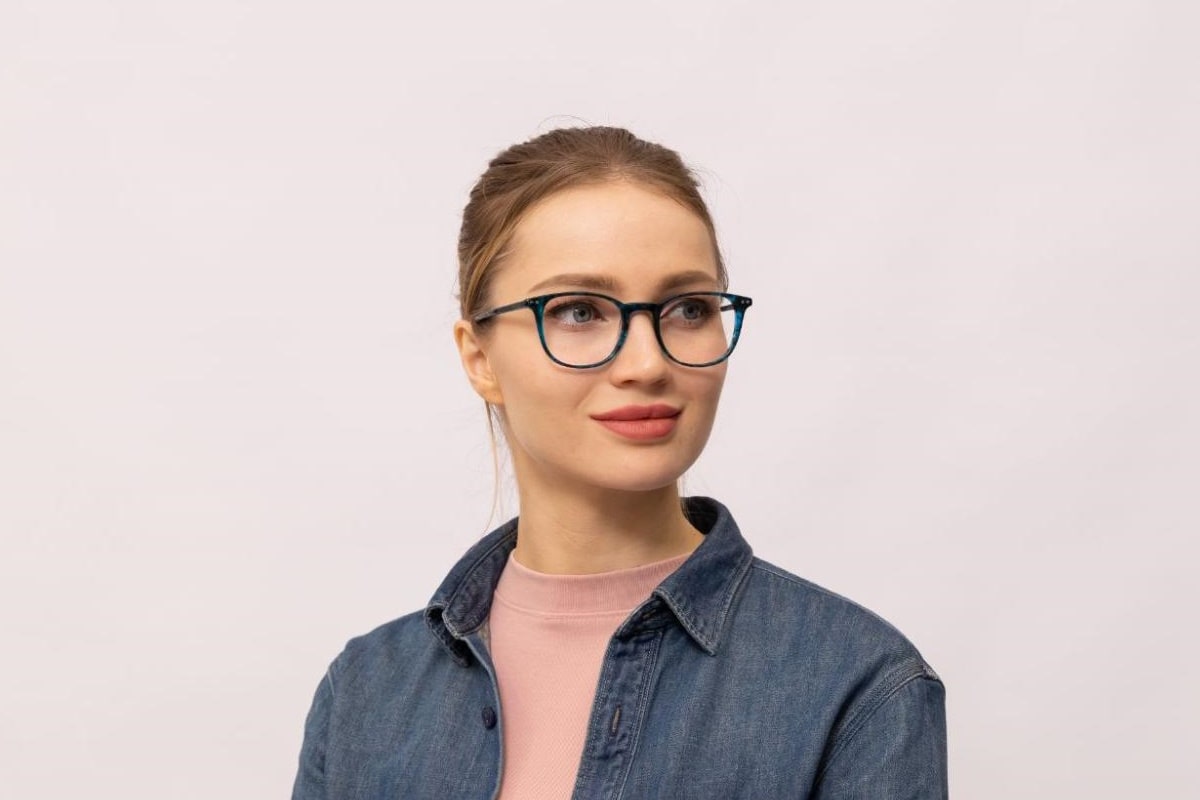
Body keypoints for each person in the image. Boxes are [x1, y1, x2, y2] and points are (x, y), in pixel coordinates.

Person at [292, 126, 948, 799]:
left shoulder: (858, 684)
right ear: (479, 357)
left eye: (688, 308)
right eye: (579, 311)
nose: (648, 362)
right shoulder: (365, 697)